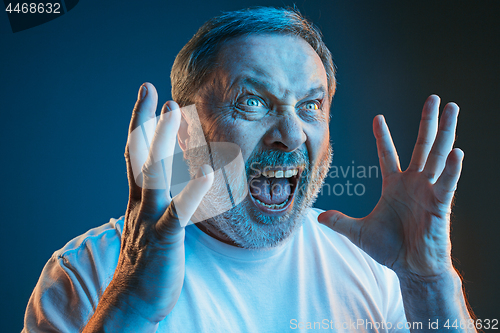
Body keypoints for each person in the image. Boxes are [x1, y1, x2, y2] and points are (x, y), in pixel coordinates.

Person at [23, 7, 476, 332]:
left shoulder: (377, 266)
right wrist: (132, 306)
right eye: (253, 102)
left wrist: (429, 282)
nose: (292, 135)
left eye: (311, 106)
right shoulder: (89, 273)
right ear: (186, 132)